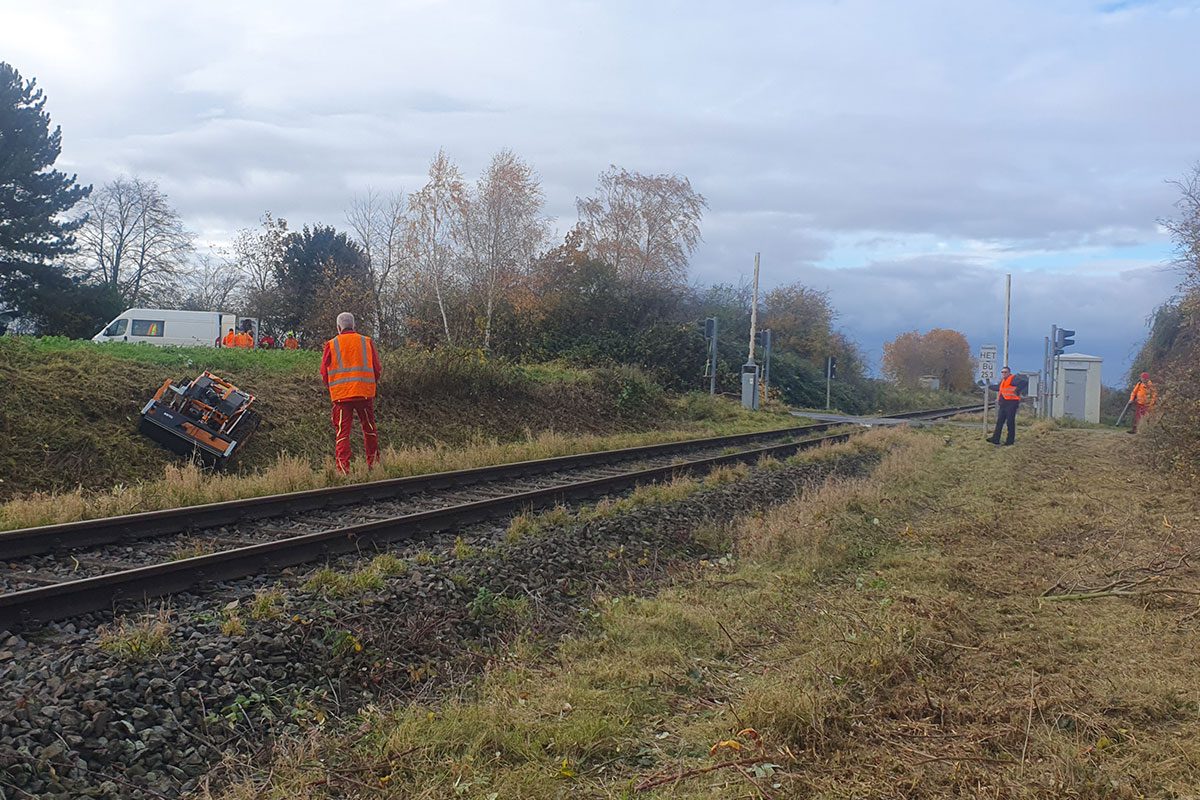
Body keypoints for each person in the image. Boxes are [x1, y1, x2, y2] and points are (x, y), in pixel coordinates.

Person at [320, 312, 381, 473]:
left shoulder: (331, 344)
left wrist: (333, 387)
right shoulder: (366, 341)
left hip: (341, 396)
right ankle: (374, 465)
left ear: (338, 327)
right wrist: (370, 384)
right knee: (369, 429)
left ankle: (343, 469)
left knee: (342, 432)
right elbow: (377, 368)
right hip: (364, 394)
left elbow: (324, 372)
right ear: (354, 326)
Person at [987, 366, 1022, 446]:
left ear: (1009, 372)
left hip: (1011, 404)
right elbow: (998, 388)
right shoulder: (1003, 381)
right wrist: (989, 386)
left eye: (1005, 372)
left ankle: (1010, 442)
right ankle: (995, 439)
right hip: (1003, 404)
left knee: (1010, 422)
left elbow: (1024, 382)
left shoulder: (1013, 379)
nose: (1003, 373)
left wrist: (1017, 390)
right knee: (999, 422)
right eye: (1002, 372)